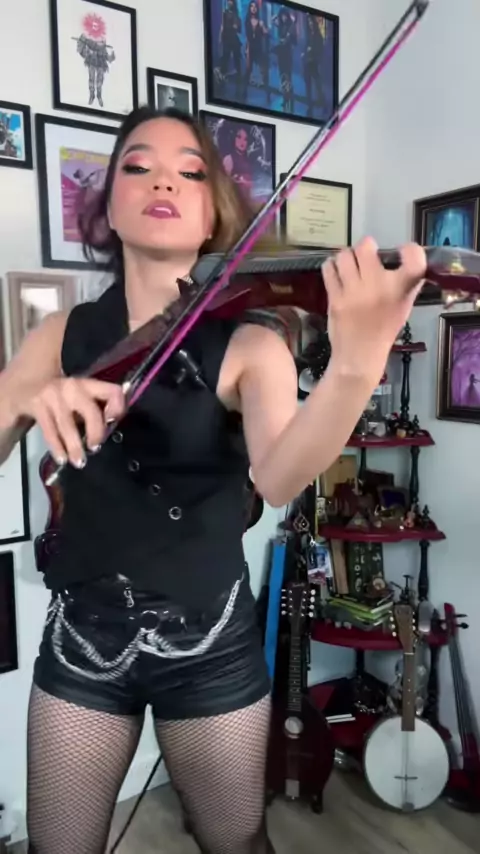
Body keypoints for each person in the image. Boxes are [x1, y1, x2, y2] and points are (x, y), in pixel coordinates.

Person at [0, 105, 426, 854]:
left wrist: (356, 366)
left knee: (238, 845)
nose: (163, 179)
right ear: (108, 208)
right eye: (138, 165)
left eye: (191, 171)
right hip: (81, 644)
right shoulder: (59, 335)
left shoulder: (251, 343)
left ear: (212, 219)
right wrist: (27, 399)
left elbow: (281, 477)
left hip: (211, 647)